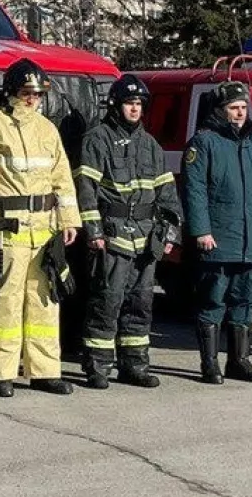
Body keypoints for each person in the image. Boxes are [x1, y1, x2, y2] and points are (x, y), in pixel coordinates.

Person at [0, 58, 82, 397]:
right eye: (26, 92)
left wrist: (69, 220)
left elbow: (62, 177)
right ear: (10, 92)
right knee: (6, 299)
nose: (32, 99)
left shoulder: (47, 128)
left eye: (38, 94)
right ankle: (1, 373)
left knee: (45, 300)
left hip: (44, 229)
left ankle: (45, 371)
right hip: (7, 228)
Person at [74, 74, 182, 389]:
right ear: (116, 105)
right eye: (129, 103)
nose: (134, 109)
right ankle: (97, 367)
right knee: (106, 302)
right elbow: (86, 189)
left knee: (140, 304)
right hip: (112, 236)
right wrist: (93, 231)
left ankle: (134, 366)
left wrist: (170, 233)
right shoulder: (97, 139)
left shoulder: (151, 145)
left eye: (138, 104)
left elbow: (168, 194)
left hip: (147, 239)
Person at [179, 80, 252, 385]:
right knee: (213, 300)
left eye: (242, 108)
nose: (240, 113)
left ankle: (240, 361)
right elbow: (194, 190)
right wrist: (201, 229)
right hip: (219, 236)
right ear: (220, 110)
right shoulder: (204, 142)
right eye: (233, 108)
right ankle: (209, 364)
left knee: (246, 300)